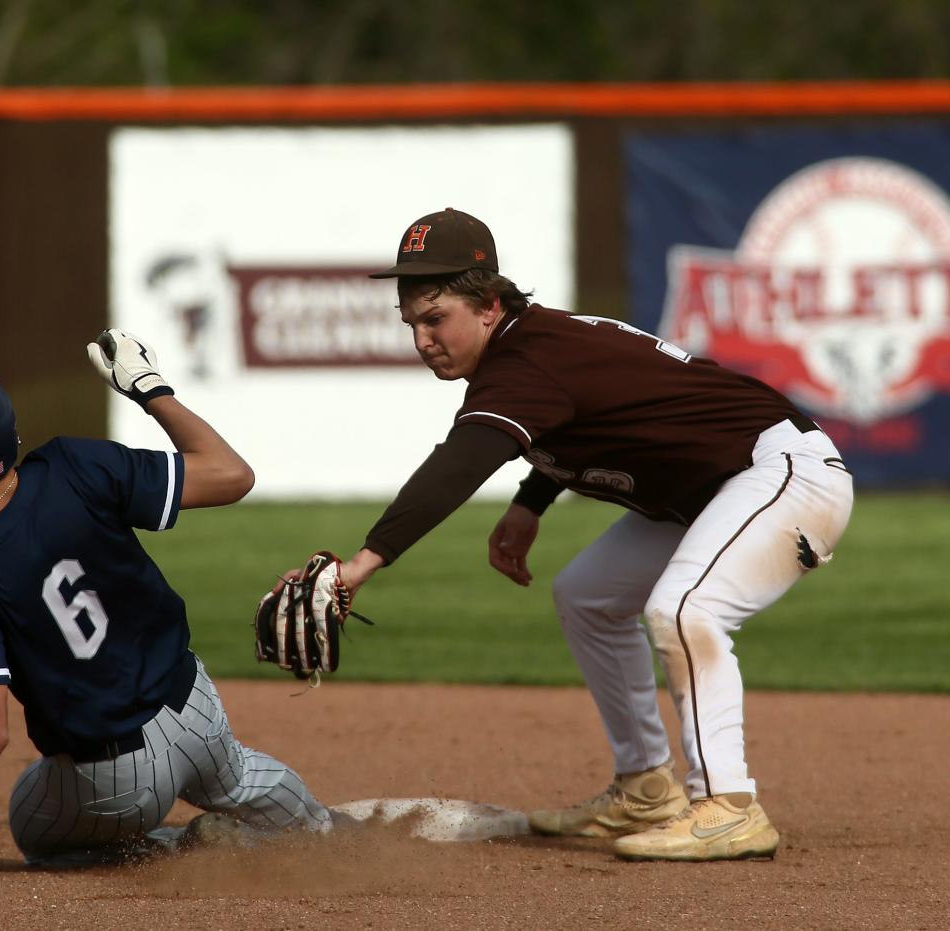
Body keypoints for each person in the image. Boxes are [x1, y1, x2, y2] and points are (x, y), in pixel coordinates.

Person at [326, 207, 853, 862]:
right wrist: (530, 501)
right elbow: (596, 413)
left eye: (436, 319)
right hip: (715, 491)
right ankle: (646, 788)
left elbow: (459, 464)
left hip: (783, 474)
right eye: (413, 324)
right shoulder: (533, 347)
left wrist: (363, 563)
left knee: (685, 609)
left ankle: (729, 805)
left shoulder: (527, 361)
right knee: (588, 594)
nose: (423, 339)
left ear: (488, 306)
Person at [0, 333, 331, 881]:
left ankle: (172, 850)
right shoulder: (73, 465)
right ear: (2, 421)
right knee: (238, 779)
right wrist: (149, 389)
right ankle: (327, 835)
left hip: (116, 781)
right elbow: (233, 475)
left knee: (30, 820)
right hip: (196, 711)